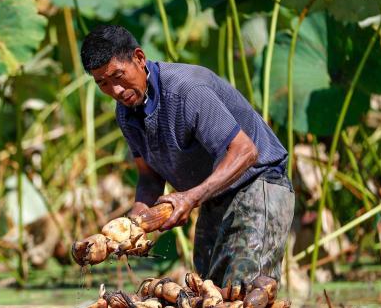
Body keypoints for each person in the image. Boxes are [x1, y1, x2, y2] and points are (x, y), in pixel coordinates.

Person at [80, 24, 294, 291]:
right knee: (208, 299)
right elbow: (149, 178)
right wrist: (132, 226)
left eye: (118, 76)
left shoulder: (186, 90)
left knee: (244, 294)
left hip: (258, 185)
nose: (116, 91)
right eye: (103, 83)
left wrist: (190, 197)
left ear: (139, 58)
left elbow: (245, 151)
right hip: (213, 197)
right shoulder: (126, 112)